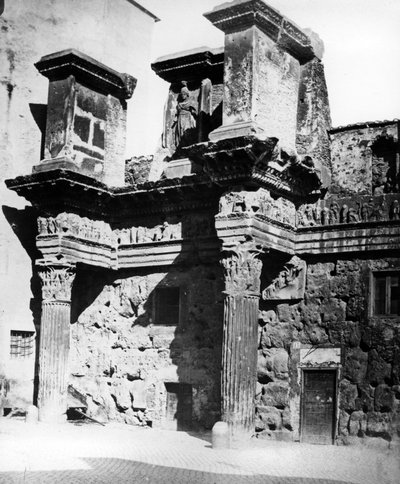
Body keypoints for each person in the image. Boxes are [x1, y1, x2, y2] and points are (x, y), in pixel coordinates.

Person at [174, 82, 197, 147]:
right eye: (182, 94)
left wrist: (192, 111)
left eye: (184, 94)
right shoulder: (179, 104)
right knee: (180, 132)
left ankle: (189, 146)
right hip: (180, 119)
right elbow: (177, 114)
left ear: (187, 94)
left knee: (187, 132)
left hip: (187, 118)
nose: (183, 95)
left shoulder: (190, 102)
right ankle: (181, 146)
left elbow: (195, 111)